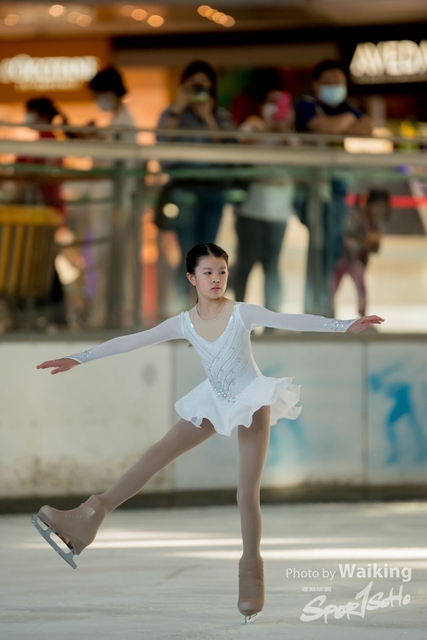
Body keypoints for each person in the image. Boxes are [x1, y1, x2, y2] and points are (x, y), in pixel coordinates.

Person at [32, 242, 384, 624]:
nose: (216, 279)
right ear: (191, 277)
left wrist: (343, 324)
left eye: (222, 272)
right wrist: (78, 358)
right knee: (155, 455)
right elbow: (130, 341)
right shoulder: (183, 323)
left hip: (251, 400)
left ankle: (251, 573)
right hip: (214, 400)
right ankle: (89, 517)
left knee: (246, 492)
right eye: (208, 272)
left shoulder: (241, 313)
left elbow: (290, 319)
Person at [294, 60, 373, 317]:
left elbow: (367, 128)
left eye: (339, 82)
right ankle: (313, 308)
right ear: (316, 85)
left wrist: (341, 122)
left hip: (337, 186)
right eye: (328, 83)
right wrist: (347, 120)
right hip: (312, 188)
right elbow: (325, 128)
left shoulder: (343, 108)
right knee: (318, 247)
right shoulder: (306, 106)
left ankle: (325, 306)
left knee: (333, 247)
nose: (335, 87)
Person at [156, 61, 235, 311]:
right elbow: (162, 142)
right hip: (184, 190)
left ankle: (206, 312)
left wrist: (207, 117)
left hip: (214, 190)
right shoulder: (173, 113)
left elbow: (229, 152)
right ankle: (184, 313)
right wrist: (178, 108)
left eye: (204, 86)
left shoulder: (220, 116)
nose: (199, 91)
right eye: (194, 86)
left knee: (209, 256)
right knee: (188, 256)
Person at [83, 66, 137, 327]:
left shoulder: (124, 122)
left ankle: (108, 313)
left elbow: (117, 163)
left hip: (115, 201)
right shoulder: (118, 120)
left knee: (110, 260)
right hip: (111, 200)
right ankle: (106, 312)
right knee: (106, 259)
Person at [232, 88, 295, 312]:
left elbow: (298, 163)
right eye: (272, 103)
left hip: (279, 212)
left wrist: (283, 132)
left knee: (272, 265)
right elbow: (240, 148)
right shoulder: (253, 127)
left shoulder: (290, 136)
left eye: (281, 105)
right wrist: (266, 131)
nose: (276, 110)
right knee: (245, 264)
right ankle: (237, 314)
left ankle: (272, 317)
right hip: (250, 209)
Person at [14, 97, 69, 327]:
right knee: (42, 259)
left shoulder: (47, 141)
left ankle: (53, 310)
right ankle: (52, 310)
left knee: (41, 260)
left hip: (44, 212)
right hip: (43, 211)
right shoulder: (44, 141)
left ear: (42, 115)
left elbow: (32, 174)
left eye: (31, 113)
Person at [333, 188, 391, 316]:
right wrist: (364, 243)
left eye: (383, 206)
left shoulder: (376, 224)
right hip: (343, 260)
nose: (380, 210)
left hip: (356, 262)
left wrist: (370, 244)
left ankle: (362, 316)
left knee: (361, 290)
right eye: (377, 205)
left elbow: (374, 248)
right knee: (333, 289)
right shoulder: (357, 217)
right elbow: (346, 238)